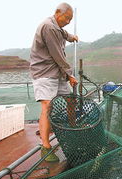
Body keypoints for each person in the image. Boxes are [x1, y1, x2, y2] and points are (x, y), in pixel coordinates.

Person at [30, 2, 78, 162]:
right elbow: (58, 56)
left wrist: (72, 37)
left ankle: (72, 127)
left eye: (71, 19)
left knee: (71, 100)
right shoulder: (48, 27)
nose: (69, 21)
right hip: (44, 73)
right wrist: (70, 75)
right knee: (47, 106)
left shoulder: (56, 26)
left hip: (57, 73)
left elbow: (64, 33)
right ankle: (46, 147)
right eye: (67, 18)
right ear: (58, 12)